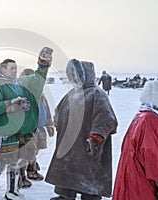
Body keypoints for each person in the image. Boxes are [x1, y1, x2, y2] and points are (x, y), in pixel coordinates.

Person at [0, 47, 53, 200]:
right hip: (3, 134)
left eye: (15, 68)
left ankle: (11, 191)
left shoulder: (19, 84)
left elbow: (37, 81)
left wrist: (43, 62)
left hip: (19, 133)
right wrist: (12, 104)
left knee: (16, 163)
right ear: (3, 70)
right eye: (11, 68)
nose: (14, 71)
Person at [45, 59, 118, 200]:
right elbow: (59, 111)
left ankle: (90, 197)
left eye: (76, 73)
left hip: (87, 146)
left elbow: (107, 118)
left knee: (89, 179)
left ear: (86, 74)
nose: (73, 77)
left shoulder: (97, 94)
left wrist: (95, 138)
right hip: (69, 145)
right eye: (71, 73)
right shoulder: (72, 93)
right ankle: (65, 196)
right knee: (67, 172)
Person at [112, 80, 158, 200]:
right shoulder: (150, 120)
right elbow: (151, 155)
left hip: (131, 174)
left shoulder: (140, 116)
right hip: (141, 182)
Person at [18, 68, 54, 188]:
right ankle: (21, 175)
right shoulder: (22, 97)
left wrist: (49, 125)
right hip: (27, 130)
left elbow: (47, 111)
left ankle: (31, 170)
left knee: (35, 150)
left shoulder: (41, 96)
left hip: (39, 128)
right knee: (25, 152)